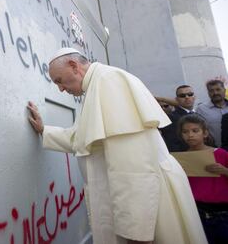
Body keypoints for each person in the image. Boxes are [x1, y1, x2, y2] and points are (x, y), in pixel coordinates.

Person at [27, 47, 207, 244]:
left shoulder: (109, 82)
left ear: (74, 66)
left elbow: (134, 168)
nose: (61, 89)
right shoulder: (97, 85)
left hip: (147, 207)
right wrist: (45, 130)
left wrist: (137, 232)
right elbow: (81, 138)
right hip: (141, 201)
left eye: (59, 81)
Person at [177, 114, 228, 244]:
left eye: (195, 131)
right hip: (196, 212)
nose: (190, 135)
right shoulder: (180, 159)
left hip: (223, 213)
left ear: (205, 133)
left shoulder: (221, 154)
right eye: (185, 132)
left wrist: (225, 171)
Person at [160, 85, 196, 152]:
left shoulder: (200, 113)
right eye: (182, 96)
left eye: (190, 94)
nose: (187, 97)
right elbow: (172, 143)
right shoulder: (172, 118)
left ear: (194, 97)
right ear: (176, 99)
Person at [197, 80, 228, 147]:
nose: (215, 93)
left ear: (224, 90)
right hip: (213, 150)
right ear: (208, 93)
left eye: (218, 89)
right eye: (211, 90)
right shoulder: (201, 109)